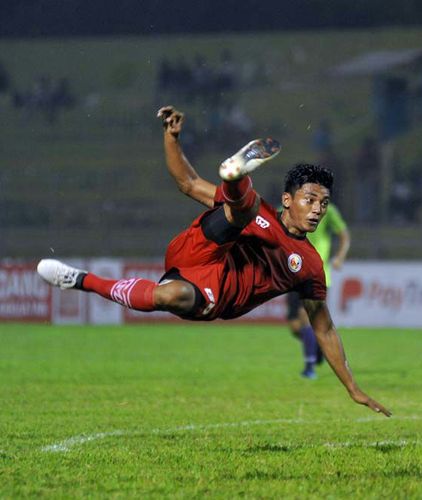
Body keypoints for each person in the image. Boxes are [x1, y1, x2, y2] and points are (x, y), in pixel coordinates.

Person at [37, 106, 390, 418]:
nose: (317, 210)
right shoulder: (266, 212)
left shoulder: (310, 265)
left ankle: (82, 280)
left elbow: (324, 327)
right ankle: (235, 179)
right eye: (310, 200)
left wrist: (352, 387)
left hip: (216, 293)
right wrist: (172, 138)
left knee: (167, 297)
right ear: (288, 199)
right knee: (249, 211)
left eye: (324, 203)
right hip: (200, 249)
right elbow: (188, 183)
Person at [289, 201, 350, 379]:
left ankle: (309, 367)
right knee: (295, 326)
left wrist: (339, 257)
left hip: (317, 273)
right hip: (291, 273)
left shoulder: (328, 211)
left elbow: (344, 235)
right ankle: (318, 346)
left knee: (304, 316)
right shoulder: (290, 206)